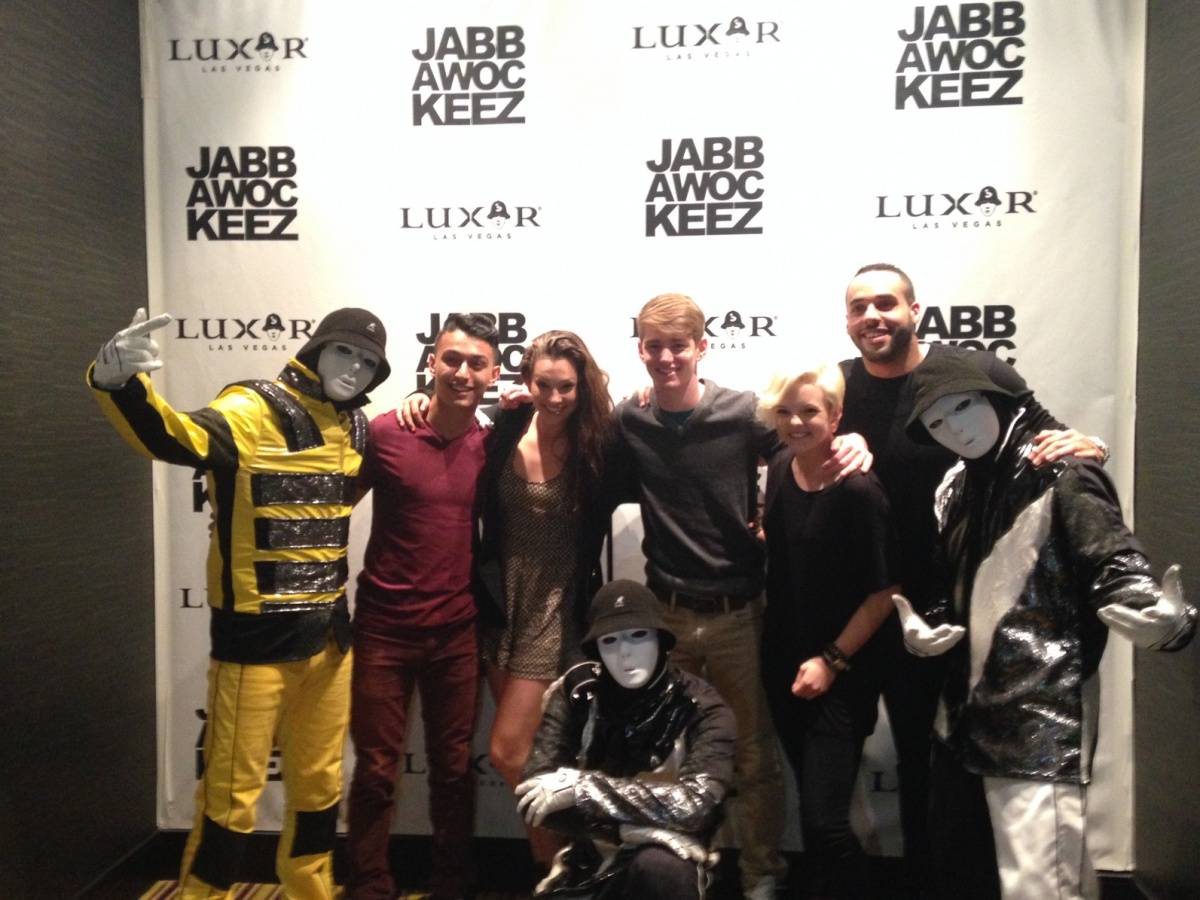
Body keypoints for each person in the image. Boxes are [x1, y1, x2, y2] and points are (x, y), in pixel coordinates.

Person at [89, 306, 390, 898]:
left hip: (330, 645)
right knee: (230, 800)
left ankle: (310, 890)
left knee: (320, 789)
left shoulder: (356, 426)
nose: (353, 369)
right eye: (344, 351)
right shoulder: (253, 408)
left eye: (367, 362)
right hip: (255, 648)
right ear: (316, 350)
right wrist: (118, 382)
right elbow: (174, 435)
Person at [836, 263, 1106, 894]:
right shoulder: (839, 384)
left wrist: (1090, 445)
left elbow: (1046, 437)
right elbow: (782, 429)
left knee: (951, 769)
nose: (872, 316)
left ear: (915, 310)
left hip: (960, 609)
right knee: (889, 765)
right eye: (858, 307)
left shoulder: (971, 371)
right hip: (870, 608)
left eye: (885, 303)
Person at [896, 352, 1195, 900]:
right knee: (980, 871)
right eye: (936, 422)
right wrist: (931, 623)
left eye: (963, 406)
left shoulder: (1061, 470)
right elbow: (950, 578)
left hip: (1040, 712)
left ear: (998, 397)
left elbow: (1111, 558)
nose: (954, 428)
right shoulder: (955, 488)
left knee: (1043, 883)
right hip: (961, 713)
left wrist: (1150, 610)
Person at [616, 292, 831, 900]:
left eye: (678, 346)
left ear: (702, 347)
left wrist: (847, 448)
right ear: (641, 351)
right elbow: (570, 429)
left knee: (753, 756)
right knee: (667, 752)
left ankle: (762, 875)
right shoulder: (631, 417)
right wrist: (516, 408)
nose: (666, 358)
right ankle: (679, 875)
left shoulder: (741, 412)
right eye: (654, 347)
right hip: (666, 612)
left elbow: (798, 446)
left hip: (739, 613)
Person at [346, 313, 499, 900]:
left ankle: (451, 882)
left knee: (454, 769)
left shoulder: (494, 443)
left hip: (457, 633)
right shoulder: (386, 432)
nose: (462, 372)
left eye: (476, 363)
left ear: (493, 374)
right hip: (383, 631)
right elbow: (332, 507)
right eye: (451, 359)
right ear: (431, 363)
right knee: (376, 771)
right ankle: (369, 885)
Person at [475, 331, 619, 864]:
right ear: (526, 381)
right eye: (544, 385)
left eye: (567, 387)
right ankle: (559, 874)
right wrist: (414, 402)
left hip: (554, 610)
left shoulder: (599, 443)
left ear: (583, 387)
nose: (555, 398)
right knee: (534, 758)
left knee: (508, 750)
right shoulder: (506, 424)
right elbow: (451, 421)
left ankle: (570, 866)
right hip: (500, 606)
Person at [758, 363, 900, 898]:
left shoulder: (859, 489)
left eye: (809, 411)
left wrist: (832, 661)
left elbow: (885, 592)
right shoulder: (779, 466)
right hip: (783, 662)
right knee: (815, 813)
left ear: (836, 416)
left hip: (841, 672)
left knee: (825, 821)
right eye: (785, 411)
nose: (795, 422)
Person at [516, 579, 736, 899]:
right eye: (610, 640)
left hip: (674, 858)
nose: (625, 653)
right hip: (589, 860)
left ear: (661, 639)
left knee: (661, 869)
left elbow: (696, 806)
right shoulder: (577, 693)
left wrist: (583, 789)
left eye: (638, 636)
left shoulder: (703, 707)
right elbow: (534, 796)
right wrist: (630, 831)